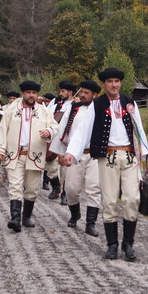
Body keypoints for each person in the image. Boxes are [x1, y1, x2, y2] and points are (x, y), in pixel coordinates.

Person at [62, 67, 148, 261]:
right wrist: (71, 152)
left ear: (120, 83)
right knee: (110, 201)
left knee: (132, 199)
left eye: (117, 81)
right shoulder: (97, 104)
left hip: (129, 157)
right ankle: (112, 245)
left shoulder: (129, 102)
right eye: (110, 81)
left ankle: (128, 244)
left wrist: (146, 155)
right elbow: (83, 130)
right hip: (108, 158)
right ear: (104, 84)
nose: (114, 84)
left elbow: (139, 130)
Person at [0, 81, 59, 232]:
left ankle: (27, 216)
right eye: (28, 92)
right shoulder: (11, 109)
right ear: (23, 93)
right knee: (15, 186)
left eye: (34, 93)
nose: (31, 95)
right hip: (15, 154)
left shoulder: (44, 111)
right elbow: (3, 129)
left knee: (32, 189)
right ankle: (15, 218)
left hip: (34, 154)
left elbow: (55, 126)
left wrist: (49, 131)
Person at [53, 80, 102, 236]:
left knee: (94, 188)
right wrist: (60, 153)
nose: (82, 95)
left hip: (95, 155)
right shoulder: (74, 109)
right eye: (82, 91)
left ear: (95, 95)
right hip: (74, 153)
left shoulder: (101, 109)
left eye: (86, 93)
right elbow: (62, 131)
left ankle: (90, 223)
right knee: (71, 189)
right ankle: (75, 214)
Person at [45, 81, 76, 204]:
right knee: (50, 167)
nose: (60, 93)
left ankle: (64, 193)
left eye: (63, 91)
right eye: (61, 91)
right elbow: (47, 115)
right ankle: (56, 187)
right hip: (53, 137)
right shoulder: (55, 102)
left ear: (70, 92)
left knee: (65, 169)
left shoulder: (76, 104)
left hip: (67, 138)